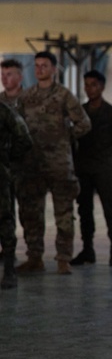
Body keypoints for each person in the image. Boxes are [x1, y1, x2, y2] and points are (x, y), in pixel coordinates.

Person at [15, 52, 92, 275]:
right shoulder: (26, 97)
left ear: (54, 69)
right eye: (37, 66)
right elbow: (18, 127)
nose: (39, 70)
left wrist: (65, 137)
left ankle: (63, 258)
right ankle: (34, 257)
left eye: (44, 66)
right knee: (31, 213)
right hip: (32, 165)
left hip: (59, 164)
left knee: (64, 214)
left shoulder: (64, 96)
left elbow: (84, 124)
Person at [71, 70, 112, 267]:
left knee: (109, 209)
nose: (90, 89)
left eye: (94, 85)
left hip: (103, 169)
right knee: (84, 210)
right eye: (87, 85)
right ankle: (88, 249)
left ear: (102, 87)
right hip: (84, 168)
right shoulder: (80, 112)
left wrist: (110, 153)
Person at [0, 103, 32, 289]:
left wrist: (7, 160)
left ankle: (10, 269)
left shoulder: (4, 111)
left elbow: (25, 140)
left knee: (4, 219)